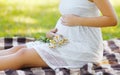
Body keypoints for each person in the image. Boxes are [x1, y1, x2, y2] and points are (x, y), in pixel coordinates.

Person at [0, 0, 118, 70]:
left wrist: (78, 21)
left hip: (83, 48)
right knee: (18, 48)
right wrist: (52, 33)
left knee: (23, 54)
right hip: (63, 40)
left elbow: (112, 20)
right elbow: (69, 16)